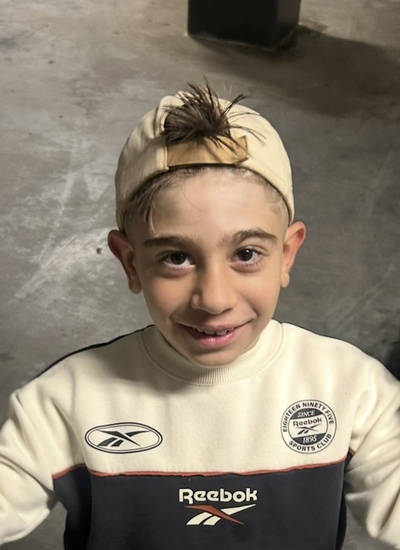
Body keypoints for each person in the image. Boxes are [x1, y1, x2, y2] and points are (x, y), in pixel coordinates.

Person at [0, 83, 399, 550]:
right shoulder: (61, 403)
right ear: (130, 262)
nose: (214, 299)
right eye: (176, 258)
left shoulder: (355, 390)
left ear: (287, 254)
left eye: (246, 254)